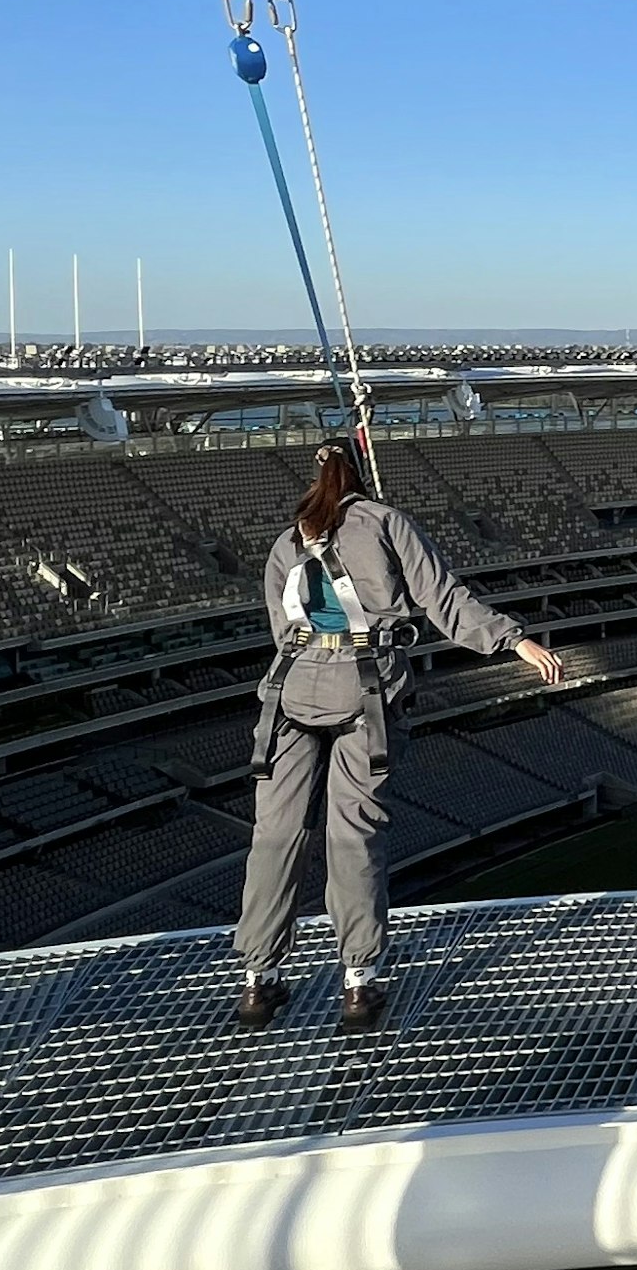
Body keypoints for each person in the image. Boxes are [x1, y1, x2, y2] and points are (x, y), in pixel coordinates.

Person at [234, 439, 564, 1033]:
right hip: (365, 689)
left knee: (276, 834)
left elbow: (282, 627)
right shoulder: (385, 523)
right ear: (359, 478)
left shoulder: (286, 543)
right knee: (353, 836)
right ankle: (358, 983)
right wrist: (514, 639)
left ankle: (259, 981)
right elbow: (443, 599)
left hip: (288, 693)